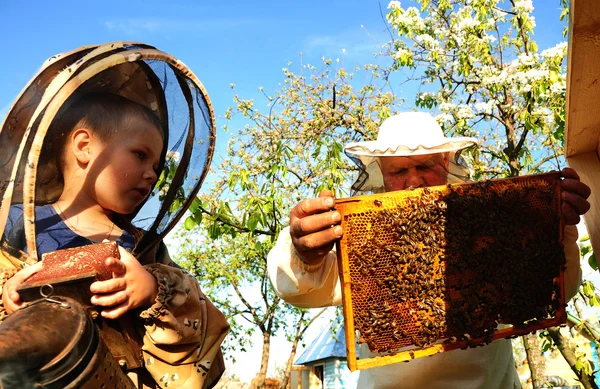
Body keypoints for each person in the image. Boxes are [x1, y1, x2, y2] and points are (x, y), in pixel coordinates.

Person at [267, 112, 590, 389]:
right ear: (381, 169)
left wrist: (554, 229)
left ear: (446, 161)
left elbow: (556, 287)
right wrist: (305, 253)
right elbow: (302, 288)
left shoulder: (487, 217)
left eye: (424, 166)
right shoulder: (367, 231)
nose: (413, 181)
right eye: (398, 172)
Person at [0, 43, 229, 389]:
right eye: (140, 154)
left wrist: (152, 290)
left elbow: (203, 343)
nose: (152, 174)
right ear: (84, 146)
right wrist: (8, 298)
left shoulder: (142, 248)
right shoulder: (14, 230)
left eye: (156, 166)